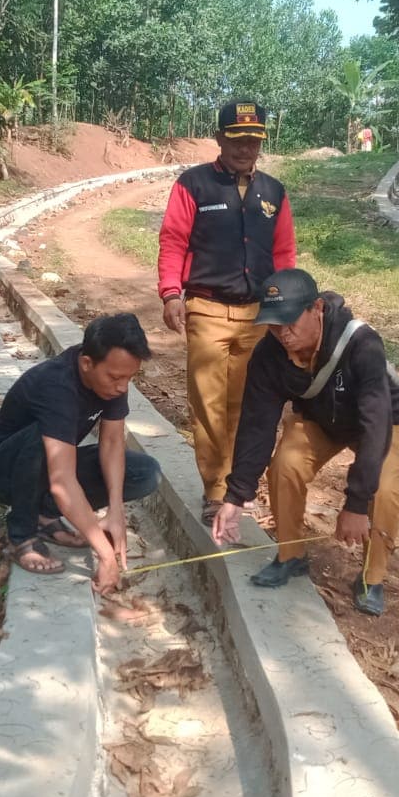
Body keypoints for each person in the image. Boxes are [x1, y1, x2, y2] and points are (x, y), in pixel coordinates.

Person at [209, 269, 399, 617]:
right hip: (321, 419)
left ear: (316, 308)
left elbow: (376, 423)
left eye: (290, 322)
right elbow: (257, 425)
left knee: (382, 488)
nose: (283, 333)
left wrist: (355, 503)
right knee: (285, 463)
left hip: (380, 423)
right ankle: (291, 556)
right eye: (274, 325)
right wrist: (235, 496)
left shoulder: (361, 344)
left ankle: (372, 576)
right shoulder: (268, 354)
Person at [157, 99, 297, 523]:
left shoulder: (274, 192)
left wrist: (286, 305)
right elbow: (173, 241)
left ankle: (239, 486)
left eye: (254, 140)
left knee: (248, 404)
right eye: (237, 139)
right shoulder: (193, 185)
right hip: (207, 310)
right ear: (219, 138)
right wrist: (170, 293)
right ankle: (216, 490)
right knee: (209, 405)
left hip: (258, 316)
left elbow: (284, 253)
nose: (246, 148)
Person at [0, 312, 161, 593]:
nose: (122, 387)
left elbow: (112, 444)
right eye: (116, 377)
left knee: (144, 473)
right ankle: (21, 534)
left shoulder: (113, 382)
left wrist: (116, 510)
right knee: (43, 437)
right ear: (86, 363)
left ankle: (44, 515)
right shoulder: (57, 385)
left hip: (42, 465)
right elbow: (61, 481)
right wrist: (105, 555)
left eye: (129, 378)